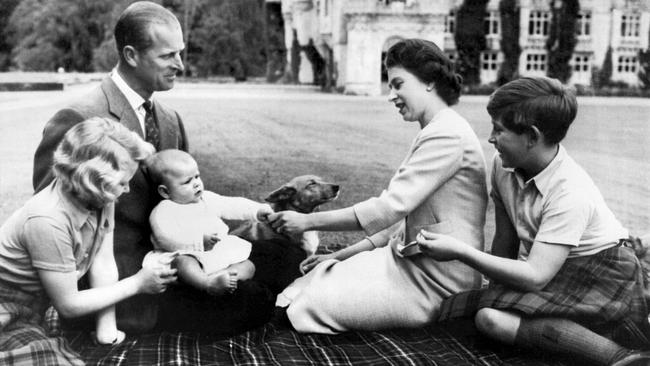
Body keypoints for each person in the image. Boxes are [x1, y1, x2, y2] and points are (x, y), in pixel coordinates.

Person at [418, 77, 650, 366]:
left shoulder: (571, 191)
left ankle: (624, 358)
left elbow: (536, 275)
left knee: (488, 318)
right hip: (553, 268)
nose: (490, 138)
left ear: (531, 136)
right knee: (465, 312)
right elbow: (505, 238)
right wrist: (494, 292)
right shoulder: (502, 166)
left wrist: (461, 252)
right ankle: (574, 335)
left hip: (603, 270)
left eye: (499, 130)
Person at [267, 38, 488, 333]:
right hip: (406, 264)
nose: (391, 95)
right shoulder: (436, 129)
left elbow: (388, 209)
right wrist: (339, 254)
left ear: (430, 82)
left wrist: (307, 221)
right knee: (313, 278)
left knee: (307, 306)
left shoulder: (448, 135)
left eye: (398, 84)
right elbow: (397, 223)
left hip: (437, 283)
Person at [32, 1, 188, 332]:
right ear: (131, 55)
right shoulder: (79, 118)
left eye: (180, 53)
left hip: (173, 267)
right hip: (108, 290)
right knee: (248, 302)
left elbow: (185, 201)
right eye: (167, 56)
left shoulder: (171, 121)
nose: (180, 65)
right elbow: (51, 219)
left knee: (266, 268)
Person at [0, 118, 175, 365]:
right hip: (7, 304)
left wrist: (107, 330)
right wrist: (137, 283)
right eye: (122, 183)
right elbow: (69, 305)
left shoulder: (101, 197)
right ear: (90, 180)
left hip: (37, 304)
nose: (126, 190)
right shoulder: (47, 218)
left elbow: (102, 262)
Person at [145, 149, 273, 295]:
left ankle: (225, 277)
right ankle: (207, 284)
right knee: (183, 263)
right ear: (165, 192)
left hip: (214, 252)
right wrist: (198, 241)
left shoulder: (206, 198)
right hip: (187, 253)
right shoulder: (164, 210)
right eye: (187, 182)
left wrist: (256, 210)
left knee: (248, 266)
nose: (196, 184)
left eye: (197, 177)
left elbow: (231, 205)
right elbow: (165, 237)